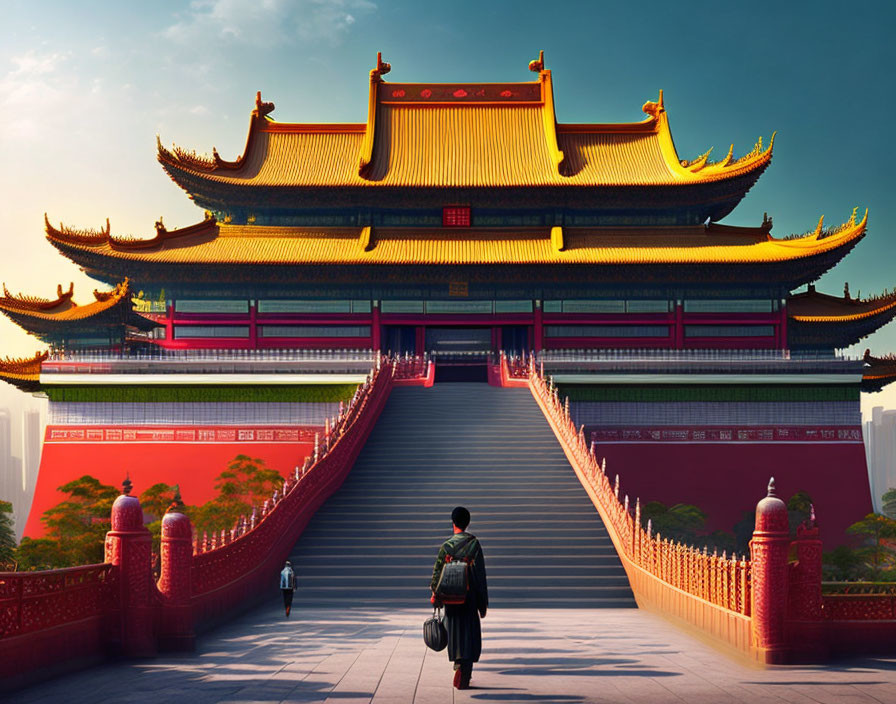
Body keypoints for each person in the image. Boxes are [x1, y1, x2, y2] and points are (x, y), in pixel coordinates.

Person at [430, 506, 488, 690]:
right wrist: (482, 602)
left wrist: (435, 594)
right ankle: (465, 670)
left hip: (452, 596)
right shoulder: (474, 544)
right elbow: (480, 575)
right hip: (469, 596)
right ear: (467, 522)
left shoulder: (446, 546)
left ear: (453, 522)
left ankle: (458, 664)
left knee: (454, 631)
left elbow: (437, 573)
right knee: (469, 632)